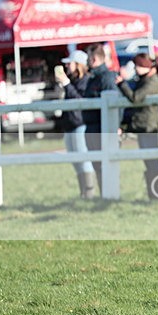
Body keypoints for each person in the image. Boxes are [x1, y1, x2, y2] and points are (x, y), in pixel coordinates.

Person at [116, 53, 158, 199]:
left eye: (137, 66)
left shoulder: (151, 82)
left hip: (148, 127)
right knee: (149, 161)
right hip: (144, 126)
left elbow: (135, 98)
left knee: (152, 162)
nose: (135, 70)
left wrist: (121, 83)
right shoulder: (146, 80)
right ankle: (154, 195)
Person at [54, 49, 97, 199]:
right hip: (70, 124)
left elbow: (79, 100)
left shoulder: (85, 80)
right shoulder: (73, 81)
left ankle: (89, 193)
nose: (67, 67)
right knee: (74, 159)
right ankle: (83, 192)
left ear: (78, 64)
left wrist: (66, 84)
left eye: (70, 64)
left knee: (83, 159)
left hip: (80, 124)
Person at [83, 44, 117, 193]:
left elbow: (115, 105)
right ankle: (105, 194)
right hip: (92, 127)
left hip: (102, 128)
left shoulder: (107, 78)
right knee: (97, 164)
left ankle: (110, 193)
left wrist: (114, 126)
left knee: (106, 164)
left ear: (94, 59)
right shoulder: (93, 78)